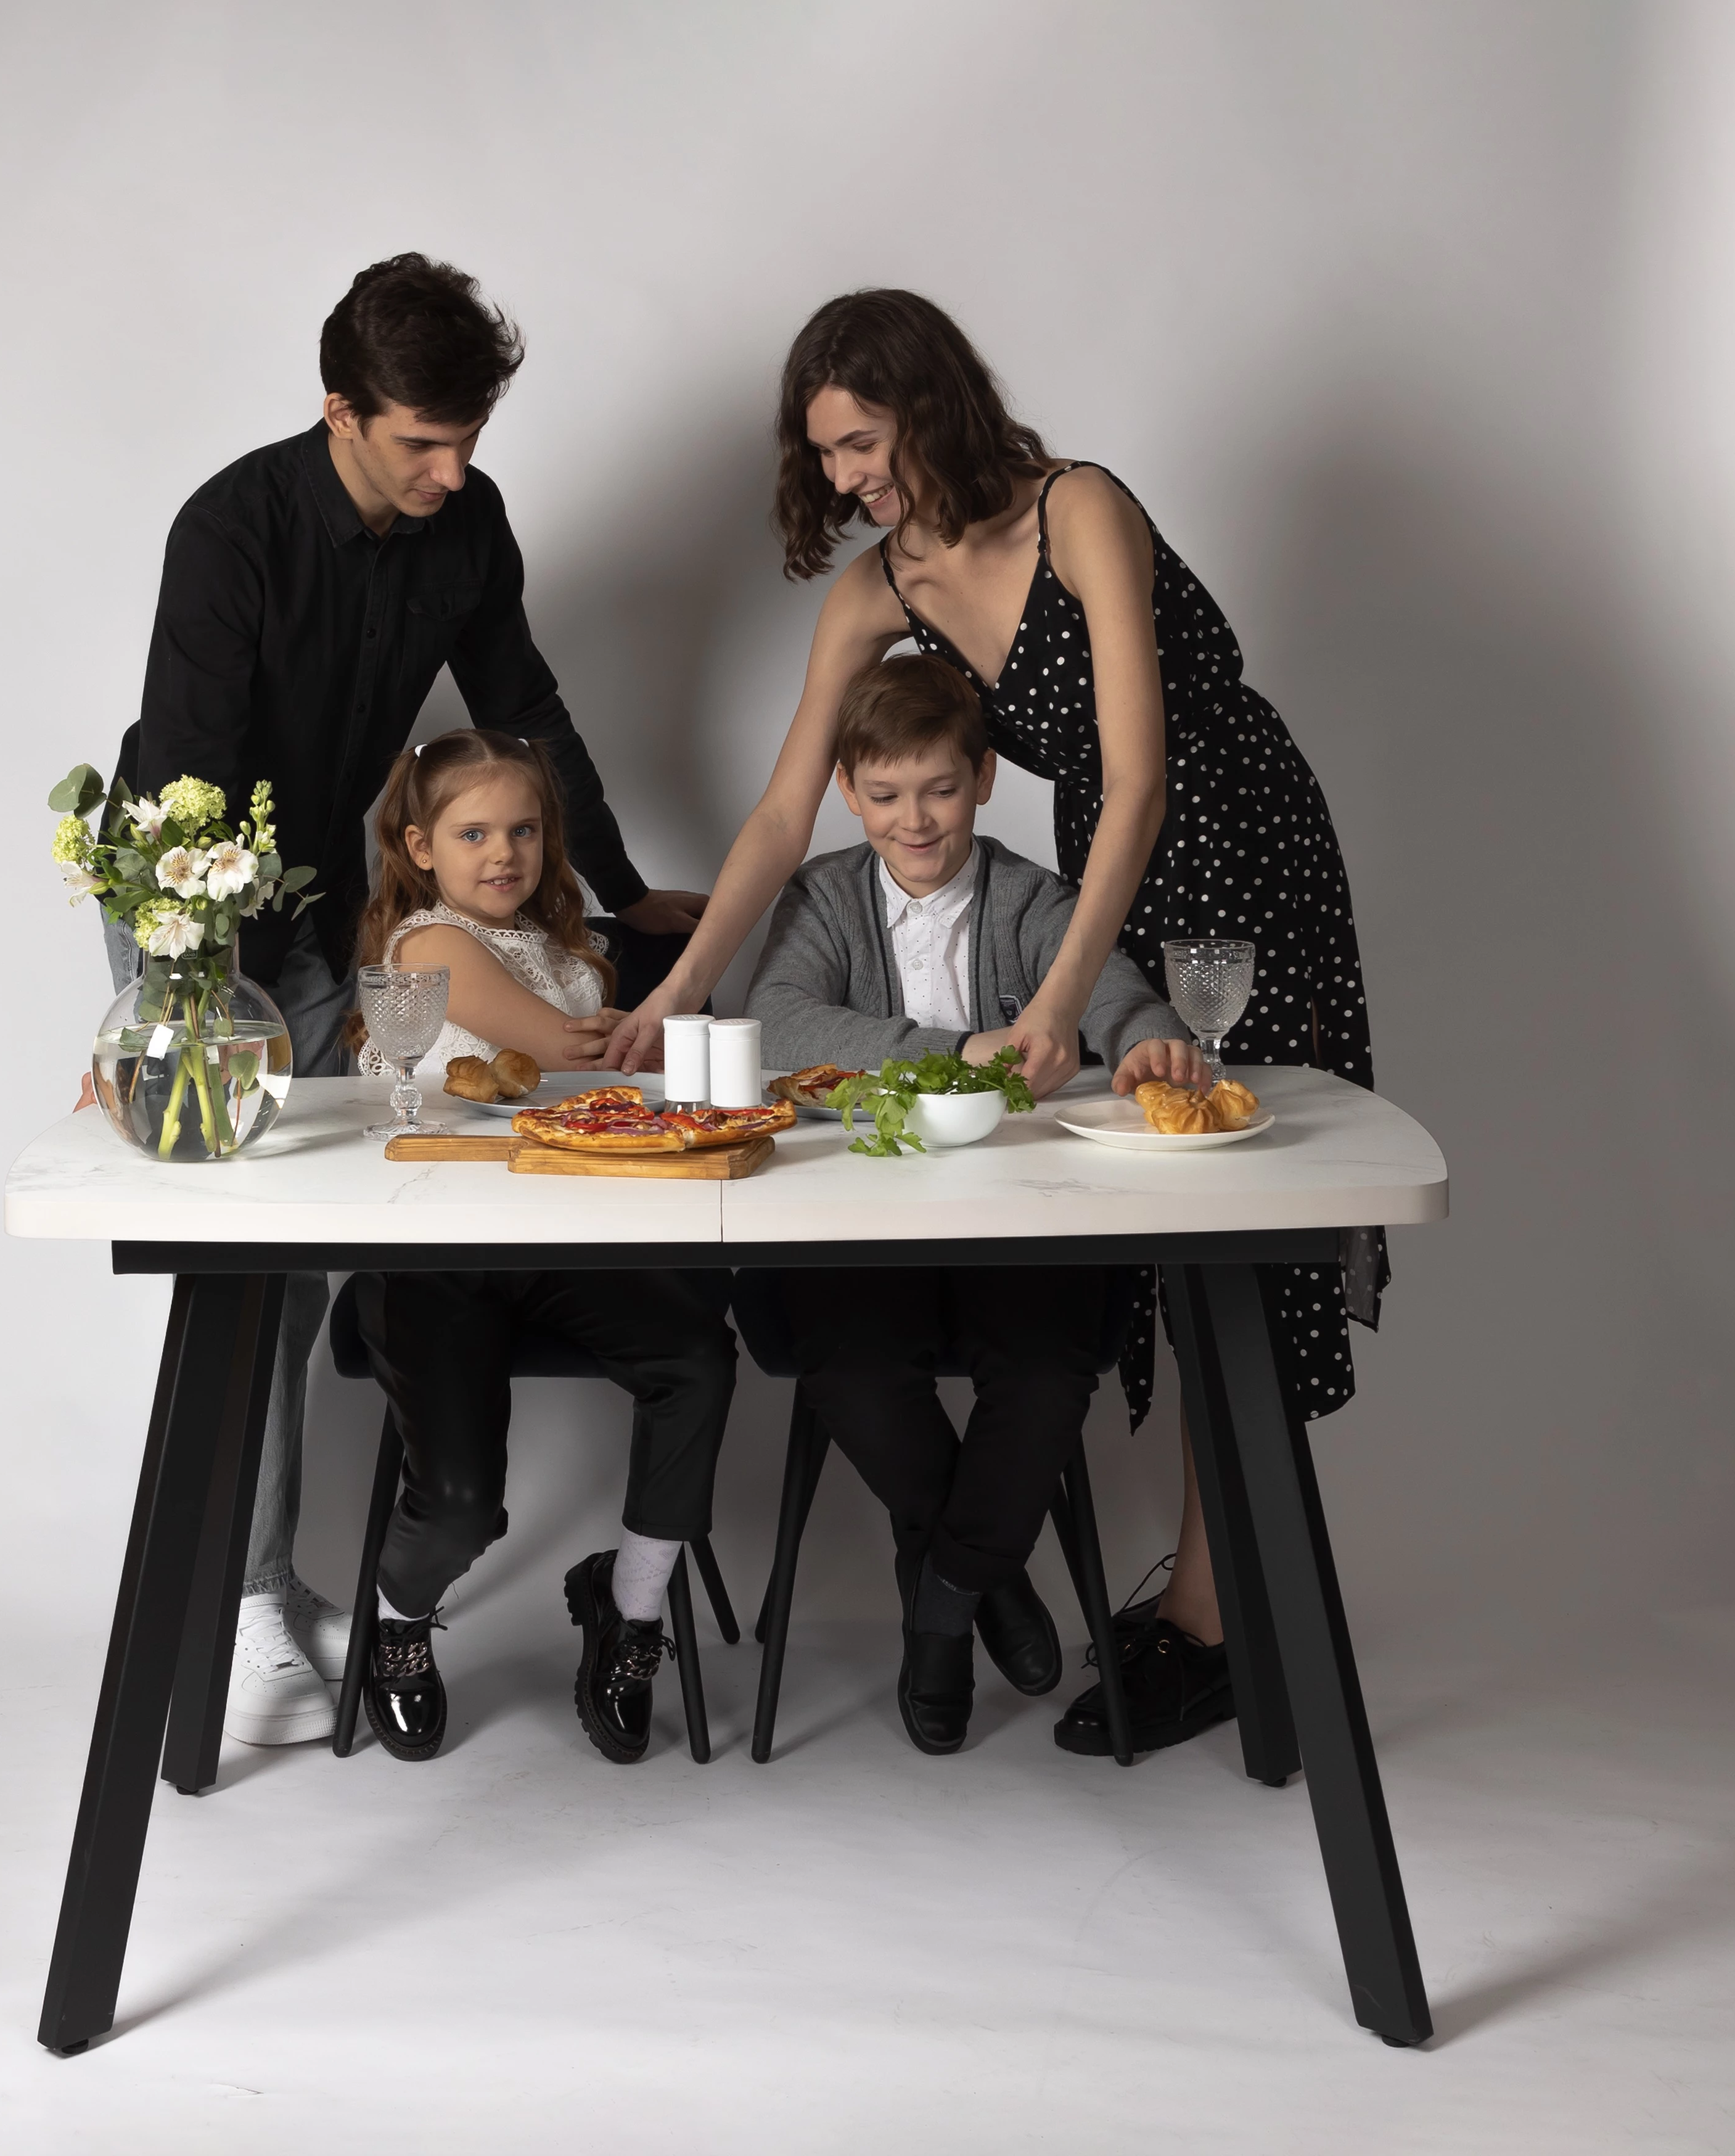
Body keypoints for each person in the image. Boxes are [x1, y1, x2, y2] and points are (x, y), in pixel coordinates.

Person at [611, 289, 1384, 1758]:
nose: (843, 474)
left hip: (1233, 851)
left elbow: (1143, 775)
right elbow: (780, 816)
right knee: (1175, 1234)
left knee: (1244, 1235)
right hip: (1111, 874)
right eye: (822, 451)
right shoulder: (877, 591)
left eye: (860, 439)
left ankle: (1220, 1622)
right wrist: (673, 994)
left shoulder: (1076, 508)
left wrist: (1056, 996)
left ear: (930, 402)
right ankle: (1207, 1611)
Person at [104, 255, 707, 1747]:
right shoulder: (230, 529)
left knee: (327, 1235)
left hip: (323, 894)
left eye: (470, 438)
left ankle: (276, 1580)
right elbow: (188, 776)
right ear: (341, 413)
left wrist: (625, 889)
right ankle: (246, 1602)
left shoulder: (467, 524)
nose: (452, 472)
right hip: (191, 895)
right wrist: (177, 1007)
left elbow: (525, 709)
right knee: (248, 1245)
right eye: (422, 442)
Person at [750, 654, 1205, 1753]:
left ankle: (944, 1596)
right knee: (852, 1364)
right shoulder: (822, 896)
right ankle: (987, 1575)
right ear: (848, 791)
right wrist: (957, 1050)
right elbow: (781, 1021)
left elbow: (1113, 988)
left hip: (1018, 1210)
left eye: (941, 790)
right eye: (887, 795)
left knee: (1049, 1365)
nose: (915, 821)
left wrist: (1148, 1037)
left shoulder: (1034, 898)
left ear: (985, 779)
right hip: (861, 1217)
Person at [328, 728, 736, 1764]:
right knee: (465, 1505)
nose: (503, 852)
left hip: (563, 1242)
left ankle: (628, 1607)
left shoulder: (560, 947)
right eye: (473, 834)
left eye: (523, 830)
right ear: (420, 847)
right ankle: (398, 1622)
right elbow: (564, 1051)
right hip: (435, 1254)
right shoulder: (429, 945)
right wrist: (677, 1011)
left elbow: (596, 1064)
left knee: (696, 1358)